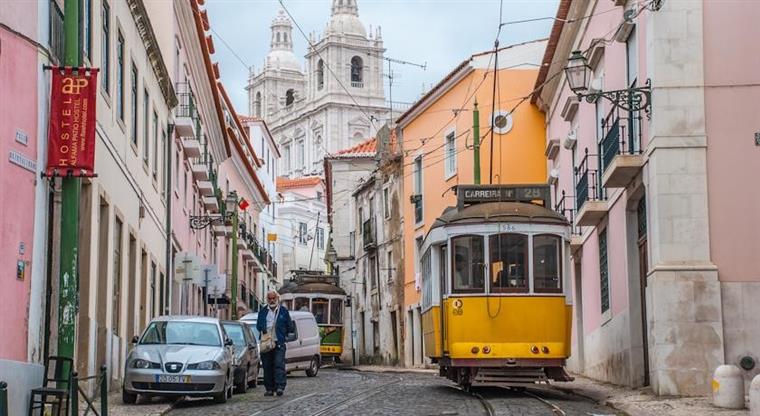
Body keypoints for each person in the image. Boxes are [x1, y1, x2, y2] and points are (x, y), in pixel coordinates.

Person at [257, 291, 295, 397]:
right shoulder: (263, 311)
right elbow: (258, 325)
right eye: (269, 298)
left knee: (279, 364)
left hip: (279, 343)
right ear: (267, 299)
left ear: (277, 298)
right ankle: (269, 388)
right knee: (267, 366)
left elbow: (290, 326)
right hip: (266, 343)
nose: (272, 300)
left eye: (273, 298)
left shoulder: (283, 311)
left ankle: (279, 387)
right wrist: (264, 330)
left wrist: (283, 334)